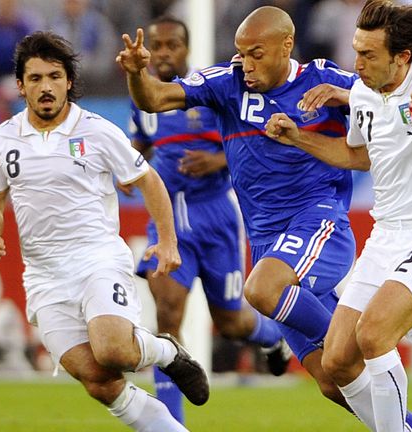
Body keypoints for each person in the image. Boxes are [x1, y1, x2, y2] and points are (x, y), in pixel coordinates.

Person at [118, 4, 364, 411]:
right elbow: (155, 98)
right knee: (336, 384)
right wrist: (135, 74)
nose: (245, 64)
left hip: (318, 222)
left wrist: (353, 94)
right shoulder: (227, 83)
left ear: (287, 46)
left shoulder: (323, 79)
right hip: (265, 241)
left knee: (260, 293)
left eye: (256, 54)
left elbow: (387, 102)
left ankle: (351, 348)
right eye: (241, 52)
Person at [265, 1, 412, 430]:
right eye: (356, 51)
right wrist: (298, 139)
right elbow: (358, 156)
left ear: (401, 56)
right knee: (338, 359)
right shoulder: (364, 94)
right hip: (386, 236)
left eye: (368, 55)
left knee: (373, 336)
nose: (357, 63)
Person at [0, 31, 208, 431]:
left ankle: (164, 350)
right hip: (44, 275)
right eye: (35, 79)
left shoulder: (97, 131)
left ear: (68, 81)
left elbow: (149, 180)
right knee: (98, 380)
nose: (45, 87)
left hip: (96, 258)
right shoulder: (2, 140)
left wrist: (168, 241)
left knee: (114, 349)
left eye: (54, 76)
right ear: (21, 86)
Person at [120, 15, 290, 424]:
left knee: (231, 323)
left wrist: (216, 159)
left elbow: (258, 149)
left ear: (186, 50)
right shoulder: (143, 97)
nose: (162, 53)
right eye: (156, 46)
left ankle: (272, 339)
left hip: (216, 217)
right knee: (167, 316)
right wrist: (128, 165)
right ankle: (171, 421)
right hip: (169, 220)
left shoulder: (214, 93)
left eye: (171, 45)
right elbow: (140, 141)